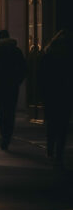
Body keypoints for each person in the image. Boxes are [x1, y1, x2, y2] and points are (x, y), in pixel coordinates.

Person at [0, 30, 27, 150]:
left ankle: (4, 135)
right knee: (11, 111)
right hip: (12, 85)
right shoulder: (16, 51)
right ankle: (8, 134)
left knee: (1, 111)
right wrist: (18, 80)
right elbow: (23, 68)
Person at [38, 30, 73, 166]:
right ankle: (58, 151)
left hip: (52, 94)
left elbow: (41, 77)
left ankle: (51, 148)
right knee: (62, 125)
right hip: (63, 94)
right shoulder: (67, 58)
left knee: (53, 123)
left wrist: (42, 93)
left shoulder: (48, 57)